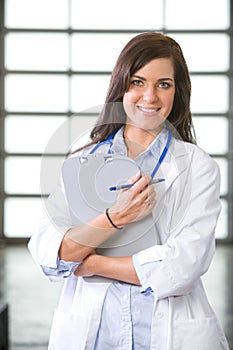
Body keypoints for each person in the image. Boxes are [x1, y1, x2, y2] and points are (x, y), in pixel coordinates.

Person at [28, 32, 230, 350]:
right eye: (137, 82)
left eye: (164, 84)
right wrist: (116, 218)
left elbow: (182, 266)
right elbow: (50, 255)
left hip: (168, 332)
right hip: (95, 334)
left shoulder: (197, 165)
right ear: (121, 85)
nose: (149, 96)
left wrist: (90, 262)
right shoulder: (82, 161)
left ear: (178, 92)